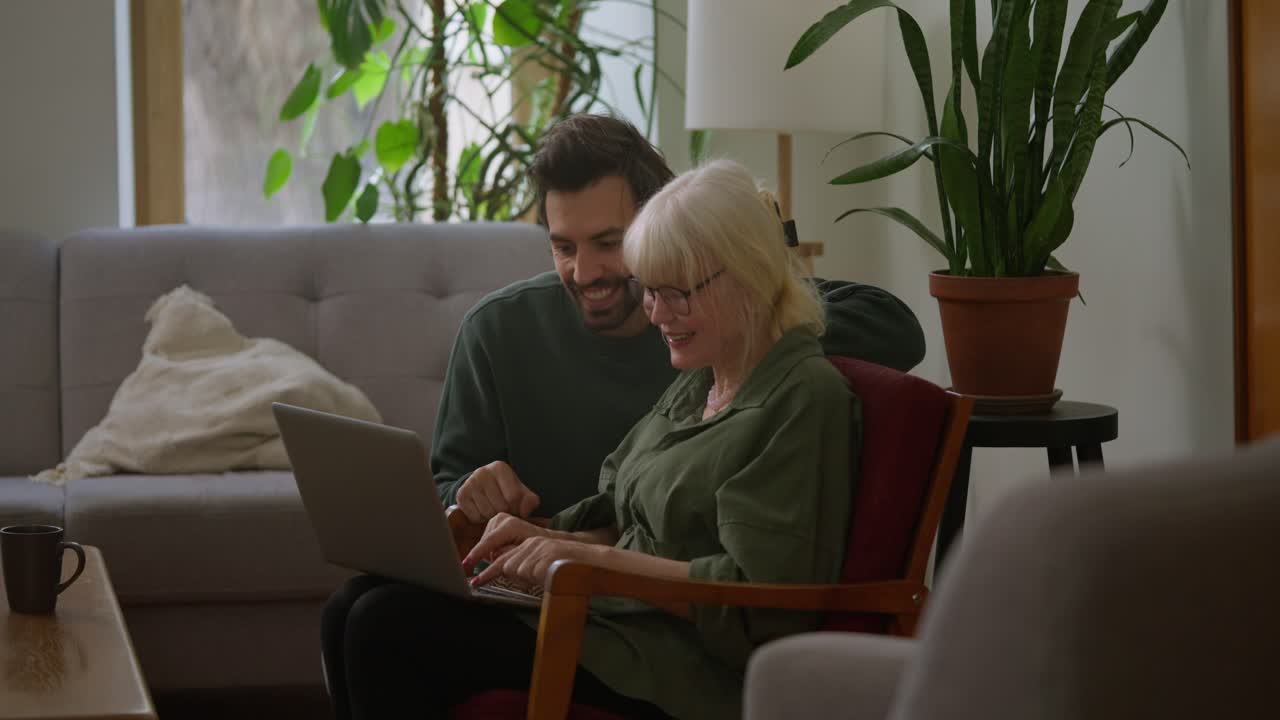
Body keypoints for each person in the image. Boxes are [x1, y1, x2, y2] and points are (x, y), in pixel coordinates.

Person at [322, 158, 858, 720]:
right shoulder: (704, 377)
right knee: (352, 603)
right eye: (650, 291)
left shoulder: (803, 397)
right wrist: (540, 535)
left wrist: (585, 559)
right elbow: (623, 512)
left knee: (384, 626)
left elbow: (758, 594)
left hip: (677, 656)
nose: (657, 316)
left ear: (748, 275)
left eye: (678, 293)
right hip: (614, 611)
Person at [431, 113, 922, 523]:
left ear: (660, 228)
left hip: (632, 594)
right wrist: (470, 494)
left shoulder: (712, 319)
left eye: (609, 244)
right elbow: (443, 486)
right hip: (532, 570)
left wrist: (741, 317)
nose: (583, 273)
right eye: (563, 247)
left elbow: (896, 329)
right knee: (371, 604)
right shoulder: (495, 331)